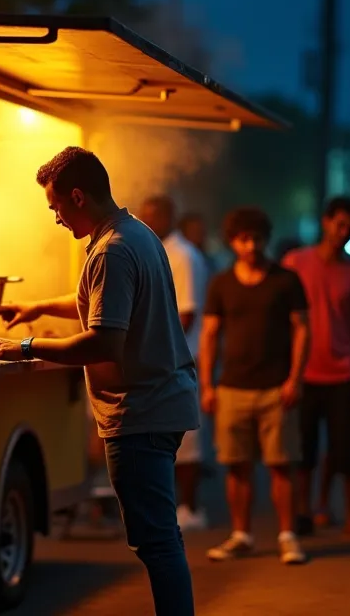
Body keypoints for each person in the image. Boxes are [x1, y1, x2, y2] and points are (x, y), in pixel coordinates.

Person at [0, 147, 198, 615]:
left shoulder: (112, 251)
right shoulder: (133, 233)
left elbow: (103, 342)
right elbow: (103, 300)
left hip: (141, 411)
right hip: (159, 402)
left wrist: (27, 346)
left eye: (56, 206)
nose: (56, 217)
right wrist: (37, 307)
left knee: (157, 542)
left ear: (78, 196)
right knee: (160, 538)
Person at [201, 206, 311, 565]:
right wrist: (207, 384)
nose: (251, 246)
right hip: (232, 386)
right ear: (233, 241)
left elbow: (302, 329)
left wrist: (295, 378)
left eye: (257, 239)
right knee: (237, 464)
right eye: (243, 239)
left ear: (266, 239)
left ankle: (287, 535)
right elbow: (210, 335)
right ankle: (241, 534)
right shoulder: (221, 283)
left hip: (276, 387)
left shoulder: (285, 280)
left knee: (281, 464)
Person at [282, 197, 350, 542]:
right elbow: (283, 320)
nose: (343, 233)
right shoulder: (295, 263)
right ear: (325, 222)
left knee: (347, 451)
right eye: (339, 224)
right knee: (302, 452)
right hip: (305, 374)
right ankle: (303, 512)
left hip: (342, 373)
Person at [140, 195, 211, 532]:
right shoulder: (159, 250)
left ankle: (190, 509)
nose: (146, 222)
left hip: (179, 361)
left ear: (169, 217)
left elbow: (187, 314)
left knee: (186, 444)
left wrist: (150, 348)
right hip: (163, 360)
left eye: (153, 217)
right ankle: (171, 507)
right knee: (165, 439)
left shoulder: (182, 256)